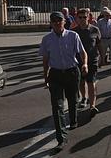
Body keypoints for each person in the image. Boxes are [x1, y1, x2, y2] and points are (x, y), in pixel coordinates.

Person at [39, 12, 88, 152]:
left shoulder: (73, 36)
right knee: (57, 106)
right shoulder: (47, 39)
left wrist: (85, 64)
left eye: (59, 20)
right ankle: (61, 138)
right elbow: (45, 59)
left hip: (72, 72)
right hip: (55, 75)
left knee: (73, 100)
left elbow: (82, 52)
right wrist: (45, 75)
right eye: (53, 21)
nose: (56, 23)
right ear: (50, 23)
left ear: (64, 21)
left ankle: (73, 119)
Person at [73, 8, 101, 117]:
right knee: (81, 82)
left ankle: (92, 106)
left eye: (84, 17)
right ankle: (84, 97)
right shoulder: (74, 32)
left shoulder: (94, 30)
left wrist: (102, 57)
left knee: (91, 83)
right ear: (77, 18)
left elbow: (99, 44)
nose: (82, 19)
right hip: (78, 62)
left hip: (92, 61)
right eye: (80, 17)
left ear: (88, 17)